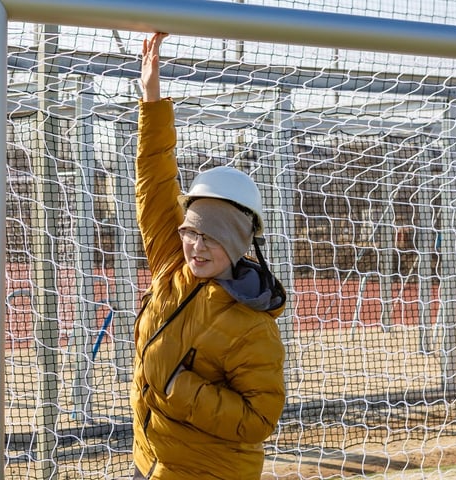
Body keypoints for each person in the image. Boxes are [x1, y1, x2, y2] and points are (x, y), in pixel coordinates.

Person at [129, 32, 288, 480]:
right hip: (150, 463)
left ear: (237, 244)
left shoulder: (253, 326)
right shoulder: (171, 268)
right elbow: (154, 180)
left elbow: (260, 419)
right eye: (190, 233)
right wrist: (152, 98)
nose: (196, 248)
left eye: (211, 239)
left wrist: (179, 387)